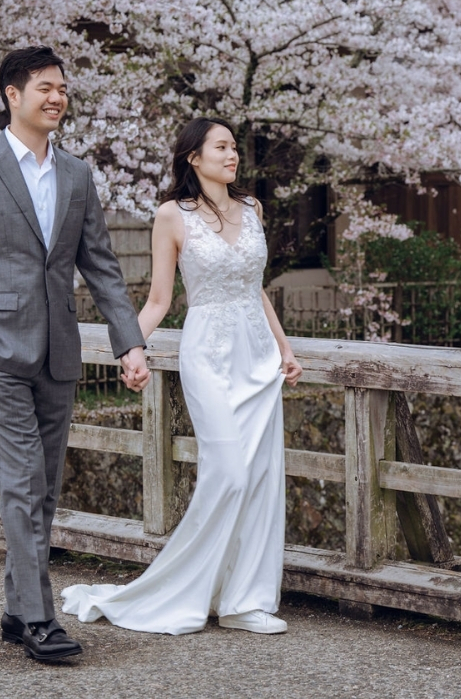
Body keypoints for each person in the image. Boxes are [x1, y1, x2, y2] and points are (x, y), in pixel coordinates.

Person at [0, 46, 150, 661]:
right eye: (44, 88)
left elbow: (102, 268)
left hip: (59, 352)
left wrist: (128, 342)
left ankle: (13, 608)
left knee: (44, 488)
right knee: (25, 484)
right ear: (12, 94)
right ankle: (39, 620)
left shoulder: (78, 175)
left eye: (62, 88)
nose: (57, 97)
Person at [60, 117, 303, 635]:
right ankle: (178, 590)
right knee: (229, 473)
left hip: (258, 357)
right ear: (194, 157)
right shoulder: (173, 216)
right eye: (221, 147)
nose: (232, 154)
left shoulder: (253, 208)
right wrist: (131, 348)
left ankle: (243, 601)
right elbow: (159, 299)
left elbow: (255, 288)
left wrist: (284, 348)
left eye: (234, 147)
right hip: (209, 354)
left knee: (260, 479)